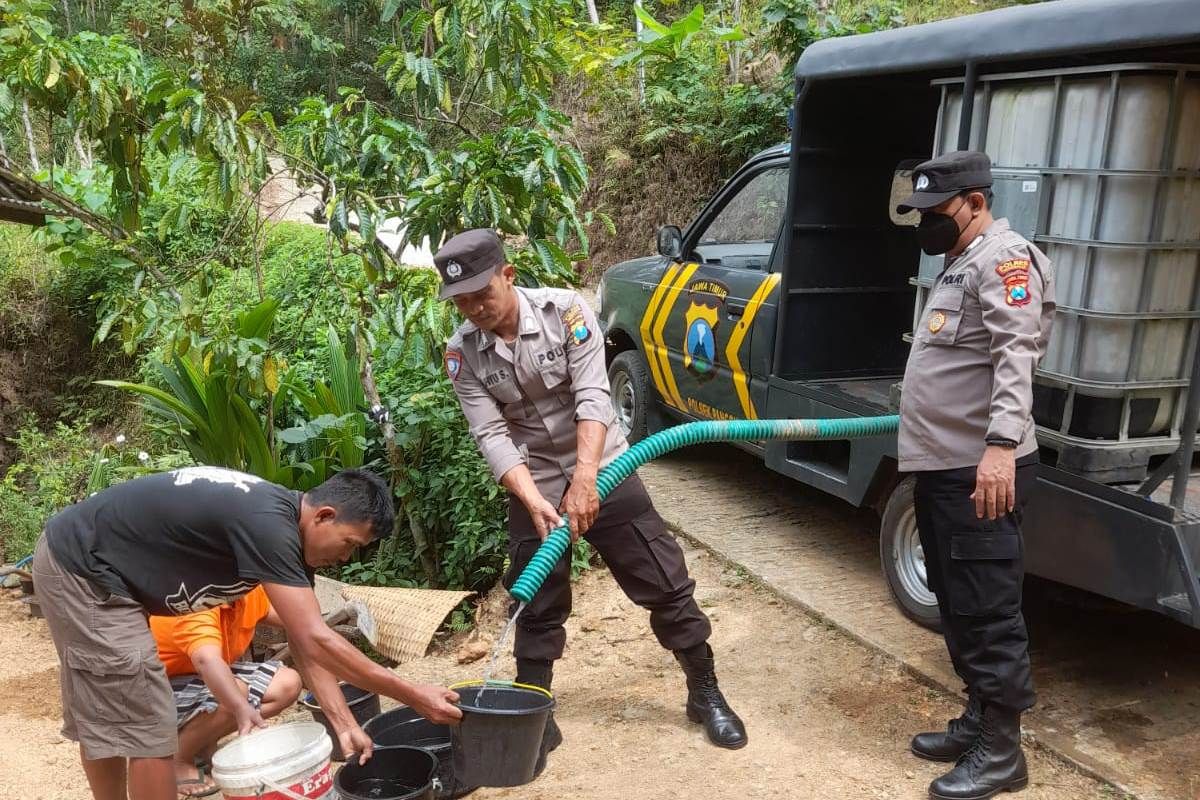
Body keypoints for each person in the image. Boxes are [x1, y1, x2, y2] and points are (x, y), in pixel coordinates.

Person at [435, 228, 747, 763]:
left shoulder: (566, 313)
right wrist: (533, 501)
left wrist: (586, 479)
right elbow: (491, 435)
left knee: (663, 578)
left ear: (508, 275)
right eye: (461, 301)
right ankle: (537, 712)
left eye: (482, 294)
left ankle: (705, 690)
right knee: (535, 596)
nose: (474, 309)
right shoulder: (462, 354)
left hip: (604, 464)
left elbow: (593, 394)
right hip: (531, 480)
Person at [31, 466, 462, 800]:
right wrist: (411, 693)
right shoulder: (268, 524)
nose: (346, 557)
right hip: (85, 570)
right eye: (349, 543)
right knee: (146, 724)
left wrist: (343, 722)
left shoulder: (284, 531)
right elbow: (317, 638)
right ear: (324, 516)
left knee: (116, 717)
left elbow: (301, 637)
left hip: (94, 565)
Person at [895, 151, 1055, 800]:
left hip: (982, 470)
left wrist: (998, 446)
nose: (928, 224)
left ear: (976, 203)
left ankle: (1002, 753)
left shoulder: (1005, 259)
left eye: (937, 213)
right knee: (957, 606)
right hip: (945, 468)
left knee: (988, 611)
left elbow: (1016, 356)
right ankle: (977, 719)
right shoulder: (963, 261)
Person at [149, 586, 300, 797]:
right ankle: (178, 759)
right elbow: (206, 661)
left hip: (197, 677)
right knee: (234, 692)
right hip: (157, 690)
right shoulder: (197, 598)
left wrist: (316, 630)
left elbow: (294, 618)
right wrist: (239, 705)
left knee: (287, 683)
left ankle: (202, 742)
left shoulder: (247, 591)